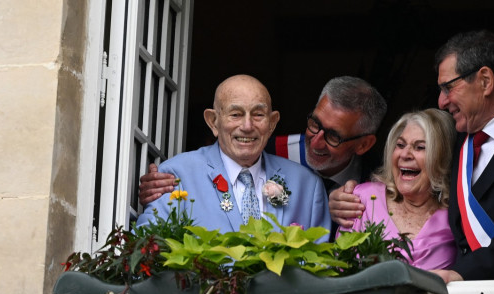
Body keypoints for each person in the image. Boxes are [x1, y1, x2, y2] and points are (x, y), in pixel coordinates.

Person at [330, 30, 494, 282]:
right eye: (401, 145)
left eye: (448, 87)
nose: (441, 101)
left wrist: (460, 275)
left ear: (485, 81)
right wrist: (337, 196)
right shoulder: (460, 141)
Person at [137, 76, 387, 204]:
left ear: (363, 144)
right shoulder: (268, 150)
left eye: (333, 136)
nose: (316, 141)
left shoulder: (378, 179)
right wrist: (162, 185)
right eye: (314, 124)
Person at [135, 74, 331, 234]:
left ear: (272, 123)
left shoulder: (307, 185)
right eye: (235, 114)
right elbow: (149, 249)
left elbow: (320, 269)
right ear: (213, 122)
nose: (247, 126)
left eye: (258, 115)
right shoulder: (178, 175)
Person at [338, 109, 457, 271]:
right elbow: (338, 269)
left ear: (442, 158)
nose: (405, 154)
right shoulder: (362, 199)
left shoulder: (456, 217)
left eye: (420, 147)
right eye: (400, 145)